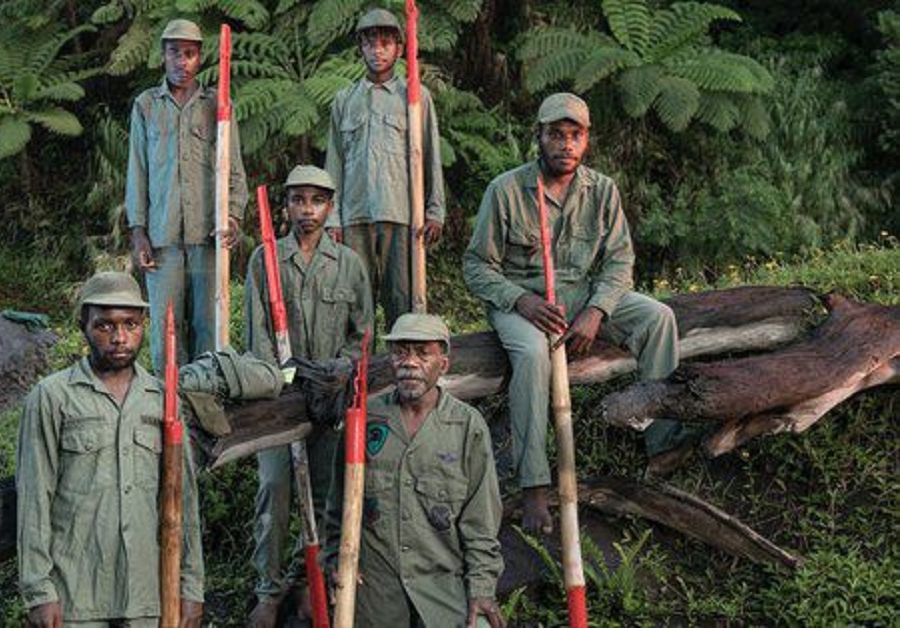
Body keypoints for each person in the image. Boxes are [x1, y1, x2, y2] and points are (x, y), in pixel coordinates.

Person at [462, 92, 683, 533]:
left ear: (587, 140)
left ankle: (664, 447)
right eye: (556, 134)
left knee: (659, 318)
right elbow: (476, 265)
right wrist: (520, 301)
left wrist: (597, 310)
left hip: (581, 295)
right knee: (532, 356)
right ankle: (533, 485)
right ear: (539, 137)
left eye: (575, 135)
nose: (566, 144)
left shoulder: (601, 190)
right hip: (521, 301)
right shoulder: (506, 190)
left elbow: (619, 260)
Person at [16, 271, 204, 628]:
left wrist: (191, 586)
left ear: (143, 325)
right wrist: (39, 590)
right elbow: (34, 497)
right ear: (83, 326)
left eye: (130, 324)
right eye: (104, 326)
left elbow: (184, 499)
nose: (119, 338)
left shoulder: (162, 399)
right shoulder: (52, 397)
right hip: (76, 595)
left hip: (149, 593)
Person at [243, 165, 372, 627]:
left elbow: (362, 334)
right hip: (280, 400)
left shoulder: (349, 264)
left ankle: (306, 579)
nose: (307, 210)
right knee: (275, 489)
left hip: (329, 400)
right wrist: (282, 381)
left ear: (330, 207)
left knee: (322, 492)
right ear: (286, 206)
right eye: (298, 199)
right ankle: (268, 589)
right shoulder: (265, 260)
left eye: (317, 201)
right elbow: (257, 335)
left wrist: (337, 372)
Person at [325, 314, 506, 628]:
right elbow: (336, 506)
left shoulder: (466, 426)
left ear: (443, 364)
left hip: (442, 589)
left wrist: (482, 589)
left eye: (423, 354)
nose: (410, 362)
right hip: (376, 594)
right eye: (401, 352)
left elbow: (481, 521)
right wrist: (333, 560)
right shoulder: (365, 419)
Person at [126, 18, 249, 374]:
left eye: (190, 54)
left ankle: (207, 392)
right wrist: (138, 232)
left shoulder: (218, 105)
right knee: (166, 327)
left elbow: (234, 168)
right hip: (162, 237)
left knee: (208, 324)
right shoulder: (146, 106)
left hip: (208, 237)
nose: (182, 62)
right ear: (163, 55)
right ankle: (169, 395)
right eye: (174, 53)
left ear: (200, 57)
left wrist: (233, 217)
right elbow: (137, 171)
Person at [324, 7, 447, 330]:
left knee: (402, 300)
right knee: (354, 301)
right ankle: (359, 361)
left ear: (399, 48)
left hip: (403, 215)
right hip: (355, 216)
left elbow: (430, 155)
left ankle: (402, 360)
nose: (377, 51)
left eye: (385, 43)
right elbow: (334, 162)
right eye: (369, 43)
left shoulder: (416, 97)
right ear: (360, 48)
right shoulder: (344, 100)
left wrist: (435, 211)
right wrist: (332, 218)